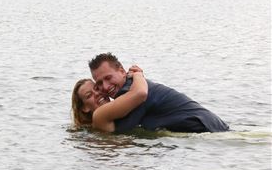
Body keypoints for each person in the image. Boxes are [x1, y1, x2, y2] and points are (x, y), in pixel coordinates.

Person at [88, 52, 229, 133]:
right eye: (99, 83)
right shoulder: (135, 84)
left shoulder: (130, 91)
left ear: (121, 71)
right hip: (211, 125)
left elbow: (121, 131)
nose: (105, 87)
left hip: (203, 127)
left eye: (108, 78)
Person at [71, 69, 148, 132]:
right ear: (84, 108)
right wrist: (138, 74)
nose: (97, 93)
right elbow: (140, 93)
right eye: (89, 95)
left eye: (97, 88)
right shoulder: (99, 116)